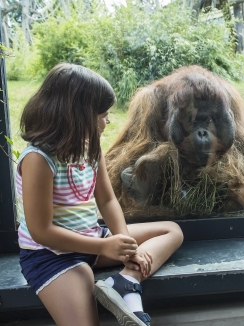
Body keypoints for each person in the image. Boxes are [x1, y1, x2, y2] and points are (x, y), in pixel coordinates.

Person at [17, 63, 184, 326]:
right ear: (77, 116)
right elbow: (41, 231)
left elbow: (106, 199)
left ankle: (126, 281)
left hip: (93, 241)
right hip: (51, 255)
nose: (108, 120)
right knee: (84, 300)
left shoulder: (90, 148)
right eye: (103, 114)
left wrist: (125, 245)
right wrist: (104, 247)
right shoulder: (38, 159)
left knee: (172, 230)